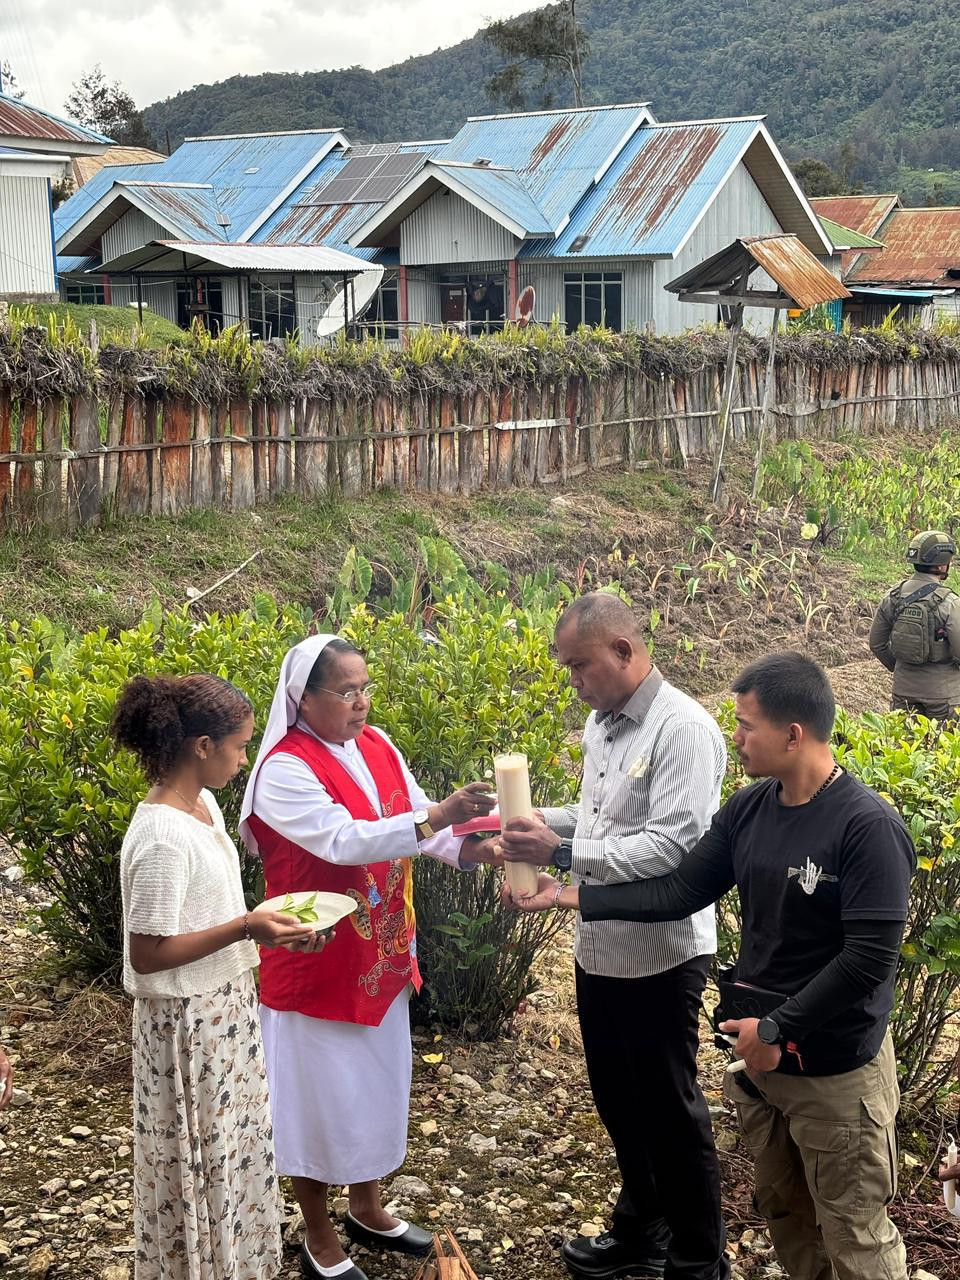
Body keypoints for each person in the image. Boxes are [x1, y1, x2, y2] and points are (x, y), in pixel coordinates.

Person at [512, 652, 915, 1280]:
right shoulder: (751, 810)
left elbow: (867, 961)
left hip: (835, 1069)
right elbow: (677, 893)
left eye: (746, 725)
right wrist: (569, 893)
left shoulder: (866, 827)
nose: (736, 737)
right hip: (764, 1060)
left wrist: (778, 1029)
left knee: (855, 1233)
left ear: (793, 734)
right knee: (786, 1214)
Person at [239, 634, 499, 1280]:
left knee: (377, 1091)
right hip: (315, 962)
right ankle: (320, 1233)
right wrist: (436, 817)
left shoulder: (377, 745)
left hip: (378, 957)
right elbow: (343, 840)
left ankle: (368, 1206)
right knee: (315, 1102)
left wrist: (470, 849)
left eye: (365, 688)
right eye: (347, 691)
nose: (361, 703)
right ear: (305, 698)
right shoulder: (283, 768)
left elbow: (415, 820)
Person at [497, 592, 729, 1280]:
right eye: (568, 669)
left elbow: (672, 847)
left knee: (670, 1110)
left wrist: (560, 854)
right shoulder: (604, 725)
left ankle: (696, 1258)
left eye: (580, 666)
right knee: (618, 1101)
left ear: (625, 652)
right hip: (600, 947)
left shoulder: (681, 729)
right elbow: (600, 819)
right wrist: (541, 821)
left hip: (661, 954)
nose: (575, 682)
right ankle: (640, 1232)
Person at [112, 673, 323, 1280]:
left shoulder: (201, 806)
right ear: (201, 747)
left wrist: (272, 925)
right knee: (198, 1166)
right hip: (187, 1026)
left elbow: (211, 910)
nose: (244, 760)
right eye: (237, 747)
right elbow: (148, 953)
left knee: (230, 1160)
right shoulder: (160, 835)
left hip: (223, 1010)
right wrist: (244, 928)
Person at [869, 529, 960, 721]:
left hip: (903, 692)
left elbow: (876, 643)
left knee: (903, 749)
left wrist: (902, 667)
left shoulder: (892, 597)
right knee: (941, 750)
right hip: (944, 697)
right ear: (943, 564)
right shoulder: (950, 603)